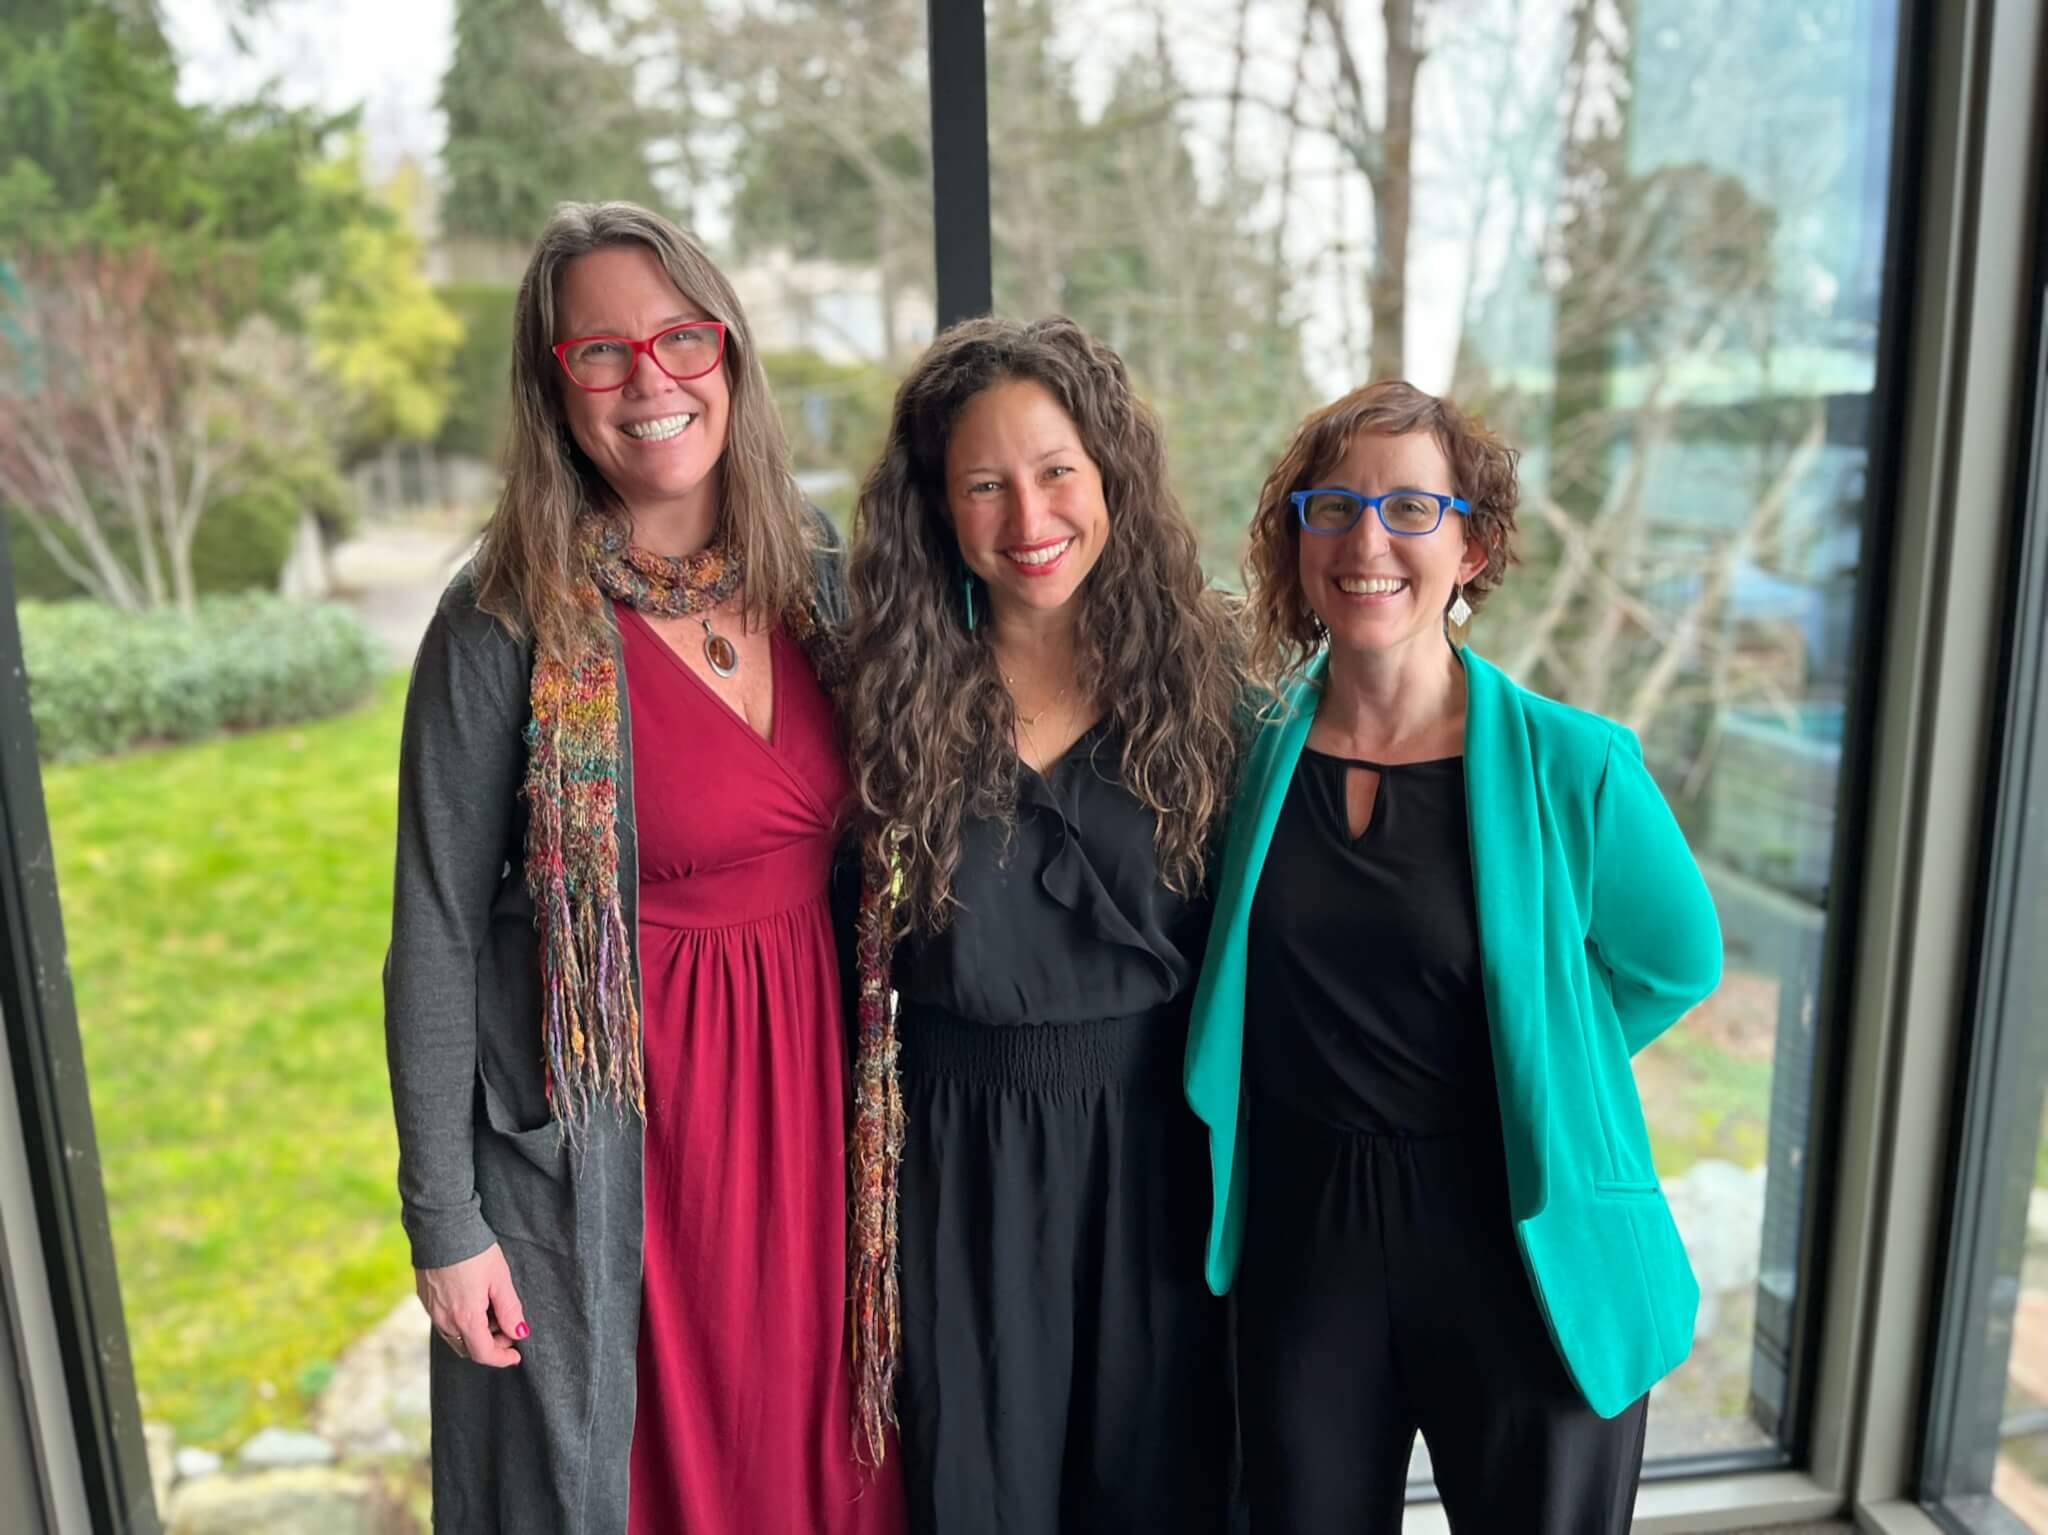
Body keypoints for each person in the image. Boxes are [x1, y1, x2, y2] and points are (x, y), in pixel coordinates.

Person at [383, 199, 901, 1535]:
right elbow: (435, 925)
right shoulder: (500, 616)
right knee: (638, 1478)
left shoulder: (821, 569)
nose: (649, 378)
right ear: (554, 388)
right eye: (599, 353)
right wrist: (445, 1218)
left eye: (680, 336)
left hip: (816, 1121)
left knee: (822, 1469)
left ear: (727, 351)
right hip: (620, 1141)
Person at [1184, 380, 1724, 1533]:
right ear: (1296, 537)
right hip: (1305, 1230)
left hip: (1515, 1226)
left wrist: (1535, 1057)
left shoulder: (1575, 764)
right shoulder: (1243, 755)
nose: (1365, 540)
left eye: (1409, 509)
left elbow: (1675, 959)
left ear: (1470, 543)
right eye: (1329, 506)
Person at [837, 315, 1240, 1534]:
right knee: (978, 1488)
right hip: (958, 1153)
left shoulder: (1217, 686)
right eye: (984, 484)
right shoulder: (879, 692)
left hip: (1160, 1146)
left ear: (1109, 471)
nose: (1029, 517)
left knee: (1157, 1483)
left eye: (1057, 468)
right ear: (937, 507)